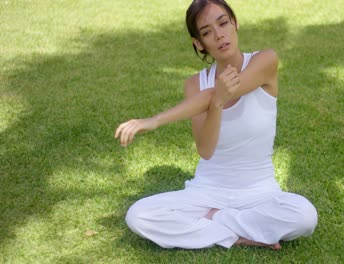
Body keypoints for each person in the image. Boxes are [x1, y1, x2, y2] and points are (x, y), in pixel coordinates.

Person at [114, 0, 318, 250]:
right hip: (207, 192)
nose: (219, 34)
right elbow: (206, 150)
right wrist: (217, 105)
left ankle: (215, 222)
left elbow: (227, 90)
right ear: (199, 44)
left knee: (305, 216)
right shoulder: (194, 84)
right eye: (207, 32)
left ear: (235, 24)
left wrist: (155, 120)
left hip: (260, 192)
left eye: (223, 23)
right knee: (138, 215)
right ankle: (241, 235)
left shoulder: (265, 61)